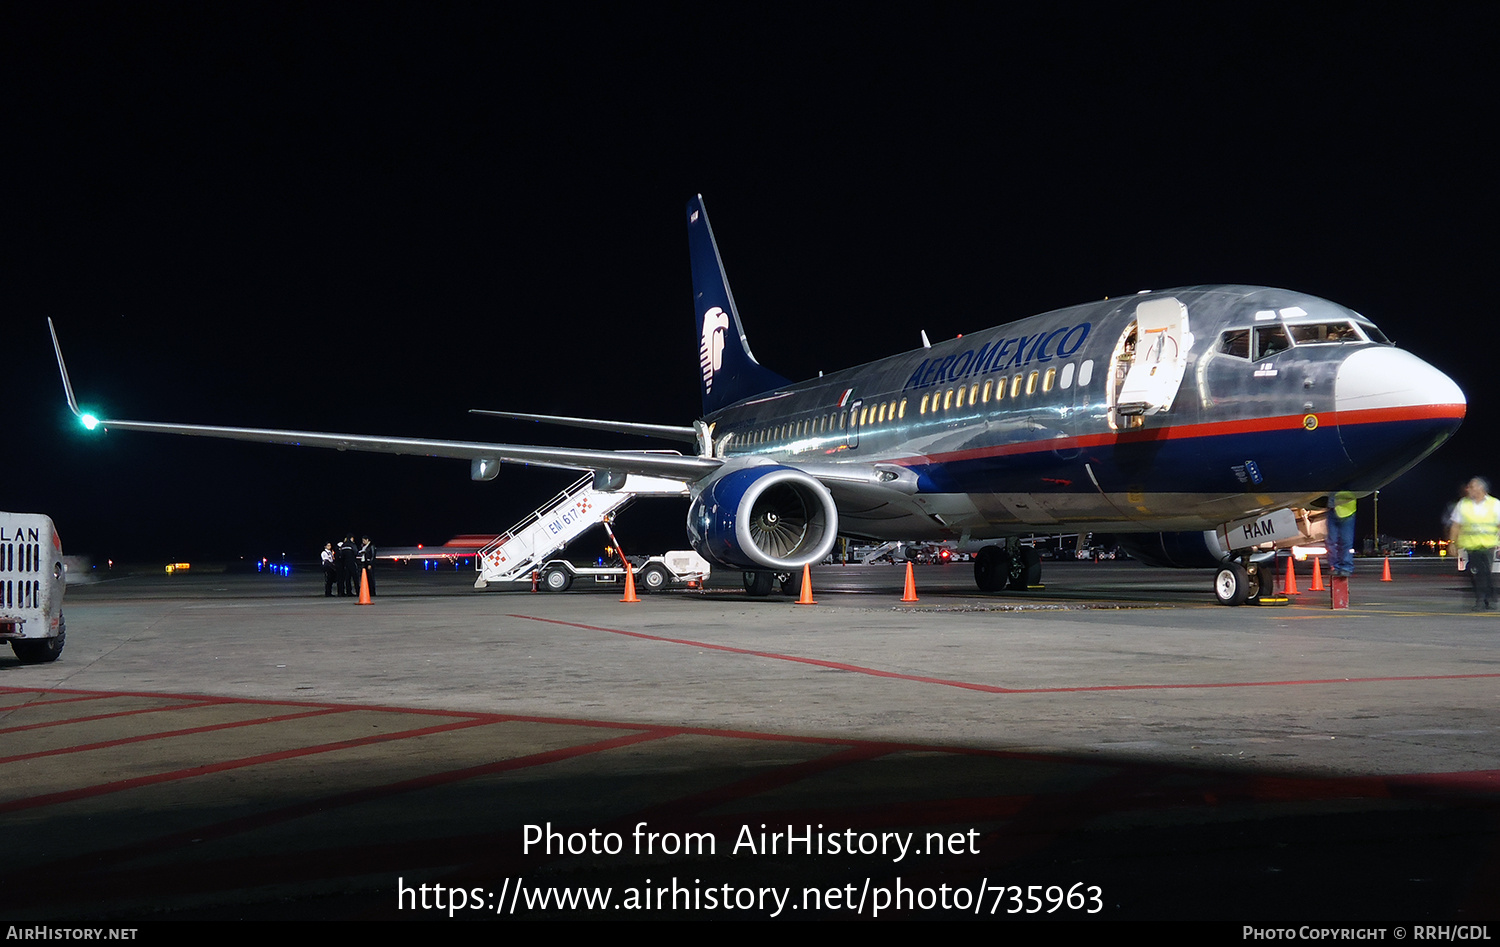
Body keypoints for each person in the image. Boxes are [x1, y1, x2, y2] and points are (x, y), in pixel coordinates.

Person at [1449, 478, 1500, 610]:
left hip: (1488, 545)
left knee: (1485, 572)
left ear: (1481, 489)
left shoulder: (1494, 504)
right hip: (1471, 546)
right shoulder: (1463, 504)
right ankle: (1482, 599)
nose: (1468, 489)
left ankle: (1487, 598)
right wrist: (1452, 543)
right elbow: (1455, 525)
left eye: (1471, 487)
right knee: (1477, 572)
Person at [1327, 492, 1357, 577]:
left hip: (1346, 512)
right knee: (1332, 541)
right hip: (1334, 509)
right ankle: (1336, 567)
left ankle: (1345, 567)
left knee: (1345, 541)